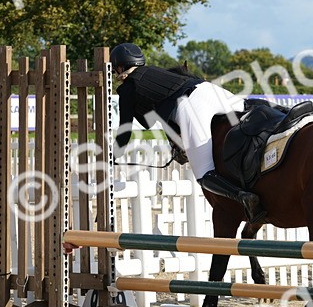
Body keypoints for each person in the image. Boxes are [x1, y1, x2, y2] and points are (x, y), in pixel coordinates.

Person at [110, 42, 262, 222]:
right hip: (209, 89)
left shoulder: (127, 88)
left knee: (204, 173)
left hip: (191, 105)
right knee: (250, 109)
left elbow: (125, 131)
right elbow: (150, 119)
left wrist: (113, 156)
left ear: (120, 67)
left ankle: (244, 197)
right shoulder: (157, 72)